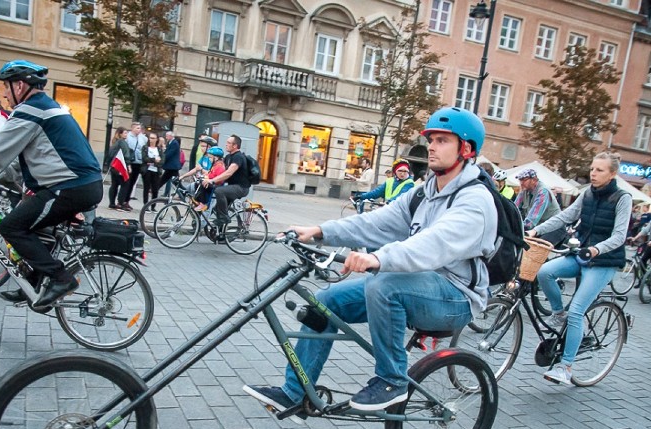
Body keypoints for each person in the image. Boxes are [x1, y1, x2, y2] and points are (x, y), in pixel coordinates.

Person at [243, 106, 497, 413]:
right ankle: (296, 392)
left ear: (466, 149)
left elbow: (433, 245)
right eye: (430, 139)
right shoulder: (423, 193)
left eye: (442, 140)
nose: (431, 146)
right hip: (412, 285)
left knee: (385, 284)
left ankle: (392, 381)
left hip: (455, 298)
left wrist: (377, 258)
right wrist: (319, 231)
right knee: (325, 302)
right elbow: (375, 223)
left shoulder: (476, 201)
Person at [0, 60, 103, 308]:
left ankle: (61, 278)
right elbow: (26, 157)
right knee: (37, 229)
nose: (4, 95)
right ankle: (34, 281)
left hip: (70, 187)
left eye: (6, 88)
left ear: (19, 85)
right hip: (79, 184)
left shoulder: (30, 110)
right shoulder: (46, 108)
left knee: (12, 226)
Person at [527, 151, 632, 385]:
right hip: (582, 254)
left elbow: (619, 236)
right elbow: (564, 217)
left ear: (612, 173)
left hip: (604, 260)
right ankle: (557, 313)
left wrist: (596, 250)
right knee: (544, 272)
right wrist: (536, 230)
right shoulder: (587, 195)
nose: (593, 173)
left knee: (577, 312)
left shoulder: (622, 198)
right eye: (592, 169)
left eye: (599, 170)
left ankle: (565, 367)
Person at [203, 135, 251, 237]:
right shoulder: (228, 157)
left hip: (241, 188)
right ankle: (221, 235)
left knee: (220, 191)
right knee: (218, 208)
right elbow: (220, 170)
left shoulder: (238, 157)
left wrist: (212, 180)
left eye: (229, 143)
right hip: (232, 186)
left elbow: (228, 173)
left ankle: (224, 218)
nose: (226, 144)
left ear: (235, 146)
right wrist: (206, 176)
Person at [515, 168, 564, 244]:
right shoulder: (524, 190)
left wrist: (519, 229)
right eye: (520, 180)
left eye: (524, 180)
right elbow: (514, 208)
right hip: (538, 228)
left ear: (534, 180)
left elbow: (532, 220)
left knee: (535, 250)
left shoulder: (543, 192)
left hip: (554, 228)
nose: (521, 183)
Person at [191, 146, 226, 211]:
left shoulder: (220, 166)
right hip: (212, 182)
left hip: (217, 185)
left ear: (216, 158)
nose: (209, 159)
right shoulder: (215, 164)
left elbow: (219, 178)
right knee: (198, 183)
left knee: (204, 184)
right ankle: (198, 201)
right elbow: (210, 174)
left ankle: (203, 204)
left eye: (210, 157)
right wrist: (204, 177)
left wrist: (208, 180)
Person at [122, 122, 147, 211]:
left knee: (132, 182)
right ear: (132, 128)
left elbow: (144, 148)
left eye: (139, 128)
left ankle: (127, 201)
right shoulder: (128, 137)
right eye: (137, 128)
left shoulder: (142, 138)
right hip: (130, 162)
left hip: (138, 162)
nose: (139, 130)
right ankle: (122, 201)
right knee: (127, 182)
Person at [107, 127, 131, 210]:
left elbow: (110, 154)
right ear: (120, 134)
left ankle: (112, 203)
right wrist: (128, 165)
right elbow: (126, 154)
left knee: (114, 184)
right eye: (125, 133)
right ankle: (120, 203)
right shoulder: (122, 142)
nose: (126, 134)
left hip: (114, 166)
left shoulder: (115, 142)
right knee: (125, 184)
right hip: (120, 166)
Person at [141, 132, 162, 210]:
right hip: (147, 170)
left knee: (155, 189)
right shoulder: (145, 148)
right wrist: (154, 160)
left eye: (153, 138)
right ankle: (145, 205)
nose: (151, 140)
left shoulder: (159, 149)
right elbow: (144, 158)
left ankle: (153, 206)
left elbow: (162, 160)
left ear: (157, 139)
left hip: (156, 171)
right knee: (146, 188)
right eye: (150, 138)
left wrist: (153, 161)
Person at [159, 131, 182, 197]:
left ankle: (182, 192)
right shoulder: (170, 142)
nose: (166, 137)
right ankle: (182, 191)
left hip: (172, 166)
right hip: (171, 166)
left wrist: (162, 158)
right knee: (172, 180)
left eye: (167, 136)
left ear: (171, 136)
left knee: (167, 179)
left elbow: (169, 154)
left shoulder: (174, 143)